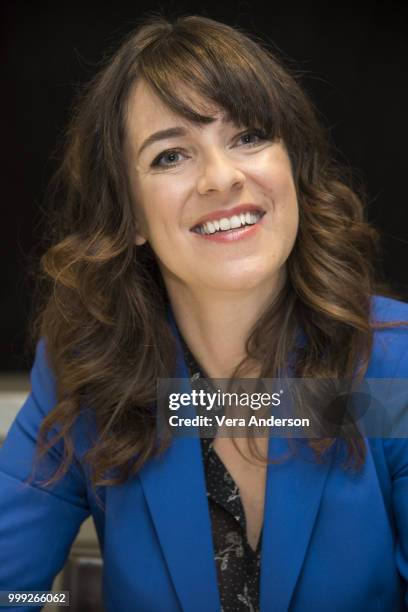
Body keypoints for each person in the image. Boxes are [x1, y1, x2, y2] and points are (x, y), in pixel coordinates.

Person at [1, 14, 407, 612]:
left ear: (291, 166)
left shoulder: (393, 364)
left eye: (248, 137)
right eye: (170, 156)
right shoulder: (86, 375)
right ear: (131, 216)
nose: (222, 178)